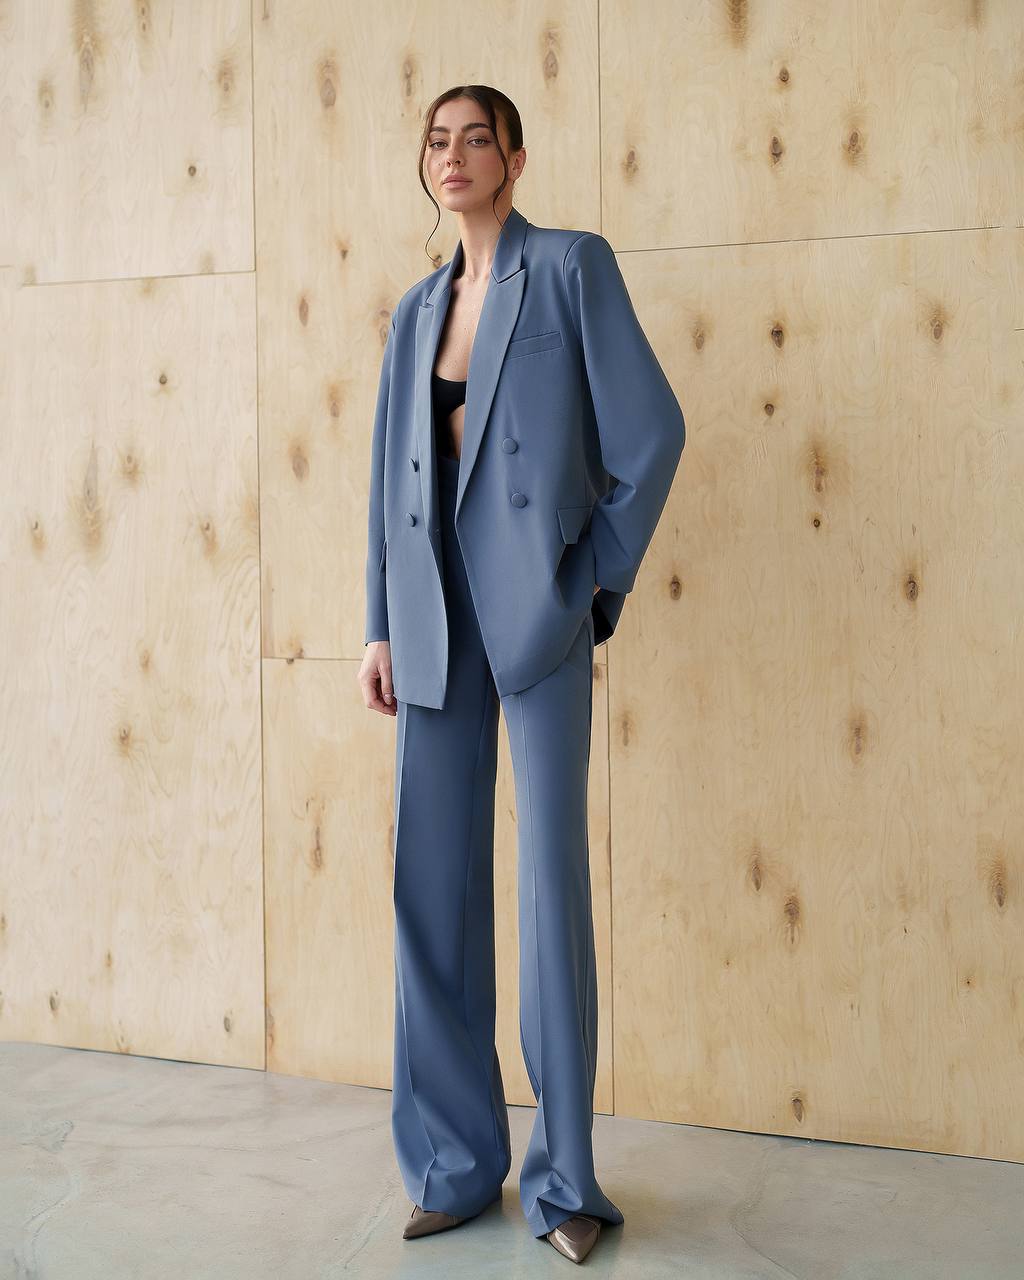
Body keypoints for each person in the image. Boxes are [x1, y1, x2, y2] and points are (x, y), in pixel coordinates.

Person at [358, 84, 685, 1265]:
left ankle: (563, 1182)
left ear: (515, 156)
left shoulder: (569, 268)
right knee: (430, 893)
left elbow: (650, 435)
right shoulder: (412, 310)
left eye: (475, 137)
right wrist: (376, 625)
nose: (454, 157)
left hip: (540, 619)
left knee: (548, 891)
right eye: (436, 141)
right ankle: (454, 1160)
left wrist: (594, 580)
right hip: (432, 621)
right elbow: (388, 481)